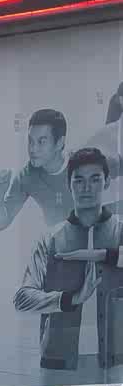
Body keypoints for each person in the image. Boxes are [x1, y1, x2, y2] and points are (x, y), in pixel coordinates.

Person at [13, 148, 123, 372]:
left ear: (107, 182)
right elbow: (22, 298)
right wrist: (70, 299)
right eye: (79, 180)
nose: (86, 188)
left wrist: (105, 256)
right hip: (58, 364)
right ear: (68, 184)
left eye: (95, 179)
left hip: (117, 364)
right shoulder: (51, 239)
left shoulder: (120, 231)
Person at [0, 109, 123, 232]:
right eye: (30, 141)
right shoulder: (26, 177)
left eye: (41, 142)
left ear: (60, 142)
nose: (32, 149)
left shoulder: (86, 162)